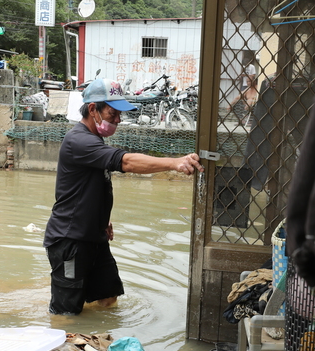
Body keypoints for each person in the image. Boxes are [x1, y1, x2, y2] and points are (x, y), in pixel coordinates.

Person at [43, 78, 203, 315]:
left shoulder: (93, 140)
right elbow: (125, 161)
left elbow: (87, 187)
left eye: (120, 114)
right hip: (70, 241)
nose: (118, 120)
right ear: (92, 109)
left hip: (94, 236)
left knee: (108, 297)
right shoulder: (79, 140)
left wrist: (101, 220)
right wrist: (174, 163)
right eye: (113, 113)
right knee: (66, 314)